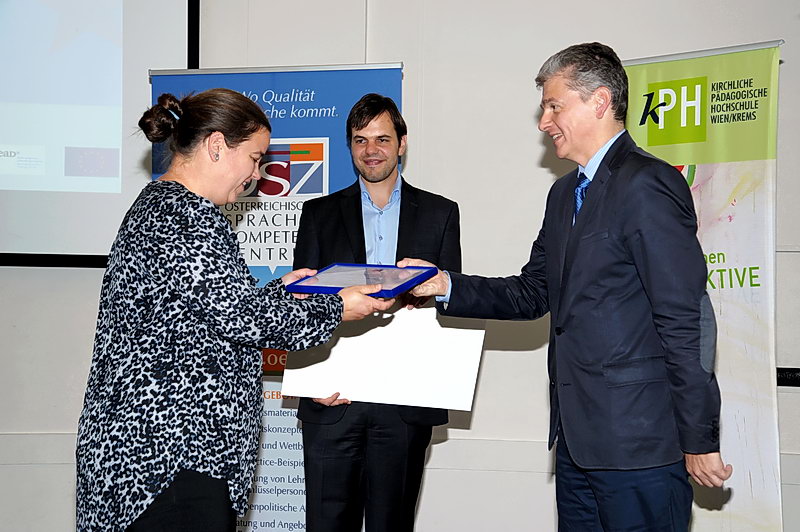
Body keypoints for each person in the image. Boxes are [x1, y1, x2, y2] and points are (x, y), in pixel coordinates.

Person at [400, 43, 732, 530]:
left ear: (599, 102)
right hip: (576, 443)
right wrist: (443, 283)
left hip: (639, 443)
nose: (543, 122)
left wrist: (699, 436)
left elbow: (686, 319)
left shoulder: (647, 184)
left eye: (554, 106)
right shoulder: (563, 194)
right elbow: (532, 292)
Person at [75, 88, 393, 532]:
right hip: (170, 457)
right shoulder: (185, 215)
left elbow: (211, 315)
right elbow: (243, 318)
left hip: (156, 453)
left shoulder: (163, 205)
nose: (256, 176)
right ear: (216, 145)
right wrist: (337, 306)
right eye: (255, 158)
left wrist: (282, 291)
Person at [292, 93, 461, 532]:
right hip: (333, 399)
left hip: (405, 400)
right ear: (349, 146)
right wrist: (311, 378)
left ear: (402, 143)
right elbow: (301, 305)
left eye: (383, 139)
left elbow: (450, 305)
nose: (371, 150)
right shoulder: (317, 214)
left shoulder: (441, 213)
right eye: (360, 140)